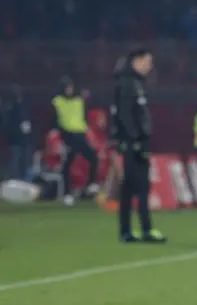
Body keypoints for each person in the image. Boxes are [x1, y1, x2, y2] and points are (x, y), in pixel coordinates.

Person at [111, 49, 166, 243]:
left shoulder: (133, 83)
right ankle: (146, 229)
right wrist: (135, 140)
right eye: (147, 61)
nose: (149, 66)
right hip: (133, 144)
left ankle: (126, 231)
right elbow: (125, 115)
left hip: (132, 143)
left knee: (128, 188)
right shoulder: (128, 85)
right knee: (141, 187)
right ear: (136, 60)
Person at [52, 76, 99, 206]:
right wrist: (60, 138)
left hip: (80, 134)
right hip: (68, 135)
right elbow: (55, 120)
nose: (69, 90)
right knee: (67, 165)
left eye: (71, 87)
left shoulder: (79, 101)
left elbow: (85, 113)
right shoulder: (57, 101)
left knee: (93, 157)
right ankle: (67, 194)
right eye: (67, 87)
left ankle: (91, 184)